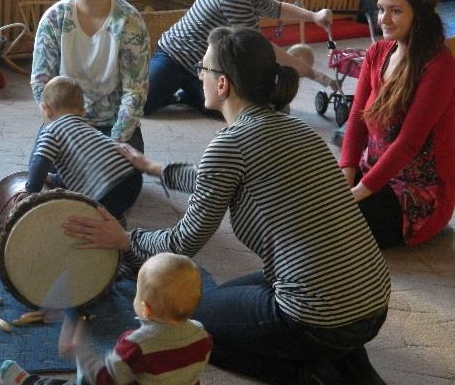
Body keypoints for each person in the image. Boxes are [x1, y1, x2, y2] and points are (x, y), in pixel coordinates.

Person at [62, 27, 391, 384]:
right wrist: (155, 169)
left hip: (317, 317)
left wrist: (124, 238)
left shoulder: (230, 144)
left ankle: (311, 373)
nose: (199, 76)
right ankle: (344, 360)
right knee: (216, 299)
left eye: (203, 69)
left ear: (223, 85)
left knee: (182, 322)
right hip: (372, 300)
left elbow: (181, 244)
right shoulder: (295, 129)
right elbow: (216, 179)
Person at [144, 0, 335, 116]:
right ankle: (184, 89)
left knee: (228, 108)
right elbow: (257, 44)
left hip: (204, 65)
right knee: (142, 106)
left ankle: (189, 91)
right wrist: (307, 70)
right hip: (174, 57)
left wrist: (313, 16)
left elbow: (276, 8)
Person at [340, 0, 455, 249]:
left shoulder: (439, 66)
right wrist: (347, 176)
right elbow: (356, 119)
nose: (384, 19)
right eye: (381, 10)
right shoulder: (377, 53)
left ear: (419, 13)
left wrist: (356, 194)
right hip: (373, 172)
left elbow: (408, 144)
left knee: (332, 225)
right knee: (301, 195)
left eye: (395, 11)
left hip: (415, 191)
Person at [0, 252, 213, 385]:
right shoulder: (202, 336)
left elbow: (105, 380)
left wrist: (80, 350)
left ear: (145, 309)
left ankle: (32, 383)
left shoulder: (137, 345)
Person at [31, 0, 149, 152]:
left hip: (111, 126)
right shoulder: (54, 19)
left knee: (122, 184)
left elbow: (135, 90)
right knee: (46, 177)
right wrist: (63, 130)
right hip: (64, 124)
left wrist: (115, 144)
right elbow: (41, 83)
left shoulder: (129, 22)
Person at [20, 76, 142, 223]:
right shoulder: (86, 128)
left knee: (84, 217)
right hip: (131, 176)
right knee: (113, 210)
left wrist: (31, 192)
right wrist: (52, 178)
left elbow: (39, 162)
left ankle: (102, 239)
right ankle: (119, 233)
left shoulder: (51, 131)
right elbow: (77, 172)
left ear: (46, 109)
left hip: (106, 186)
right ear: (83, 110)